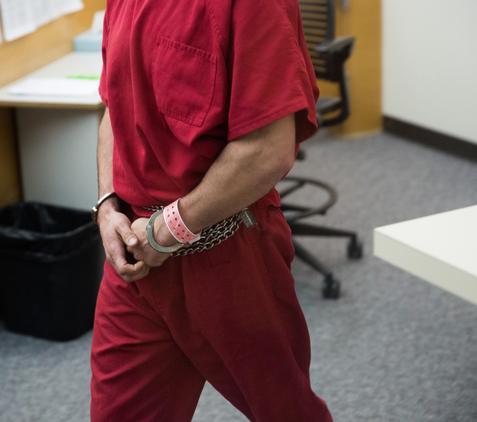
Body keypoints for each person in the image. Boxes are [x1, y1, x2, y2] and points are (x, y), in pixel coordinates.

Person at [90, 0, 333, 420]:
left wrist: (168, 230)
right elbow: (117, 104)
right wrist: (107, 204)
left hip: (228, 255)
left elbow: (267, 150)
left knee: (285, 411)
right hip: (135, 256)